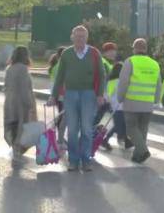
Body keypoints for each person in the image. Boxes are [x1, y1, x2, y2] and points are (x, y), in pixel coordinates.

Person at [49, 25, 105, 172]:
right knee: (72, 130)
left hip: (89, 94)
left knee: (86, 129)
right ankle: (73, 160)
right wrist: (53, 96)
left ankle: (86, 160)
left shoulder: (94, 53)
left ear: (87, 38)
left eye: (83, 36)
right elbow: (59, 76)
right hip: (70, 94)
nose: (80, 39)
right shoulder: (66, 54)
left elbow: (102, 74)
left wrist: (100, 94)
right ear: (72, 37)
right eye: (77, 36)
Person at [118, 38, 161, 163]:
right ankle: (137, 157)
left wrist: (120, 97)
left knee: (131, 128)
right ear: (146, 49)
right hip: (148, 103)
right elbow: (159, 84)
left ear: (134, 48)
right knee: (142, 129)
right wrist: (156, 100)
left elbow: (123, 82)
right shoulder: (154, 63)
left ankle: (143, 150)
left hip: (132, 101)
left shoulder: (130, 61)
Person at [4, 46, 38, 158]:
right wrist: (30, 105)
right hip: (21, 104)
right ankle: (17, 150)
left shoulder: (9, 68)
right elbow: (24, 89)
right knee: (21, 127)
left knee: (13, 126)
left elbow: (6, 87)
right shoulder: (23, 69)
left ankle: (15, 149)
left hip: (9, 102)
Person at [101, 62, 133, 151]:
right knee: (119, 125)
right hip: (122, 106)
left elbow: (106, 95)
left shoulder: (110, 81)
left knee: (121, 125)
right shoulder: (122, 81)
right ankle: (105, 140)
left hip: (115, 106)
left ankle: (126, 141)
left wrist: (111, 102)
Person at [93, 42, 118, 126]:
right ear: (104, 53)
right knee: (96, 119)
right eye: (110, 51)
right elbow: (102, 80)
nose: (113, 53)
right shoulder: (104, 63)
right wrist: (103, 95)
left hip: (107, 96)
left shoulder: (109, 63)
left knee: (97, 119)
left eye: (114, 51)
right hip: (103, 96)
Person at [48, 46, 67, 149]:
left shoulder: (57, 65)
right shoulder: (61, 66)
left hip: (58, 94)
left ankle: (59, 137)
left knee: (61, 116)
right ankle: (59, 139)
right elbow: (60, 83)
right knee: (63, 117)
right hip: (62, 95)